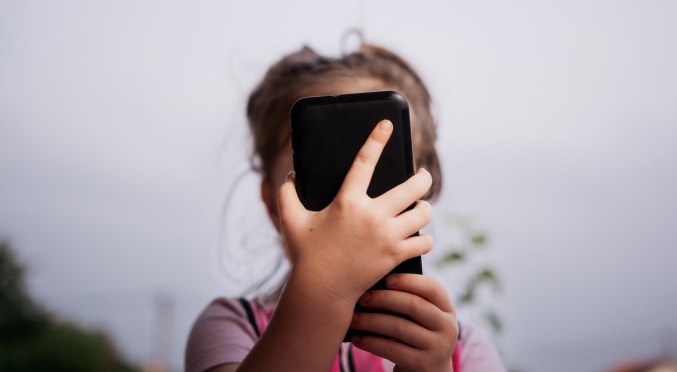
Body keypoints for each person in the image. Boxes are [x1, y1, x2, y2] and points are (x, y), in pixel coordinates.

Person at [185, 39, 505, 372]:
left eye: (378, 177)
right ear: (272, 204)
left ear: (415, 198)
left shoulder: (465, 350)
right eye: (326, 181)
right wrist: (324, 288)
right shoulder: (233, 327)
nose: (350, 208)